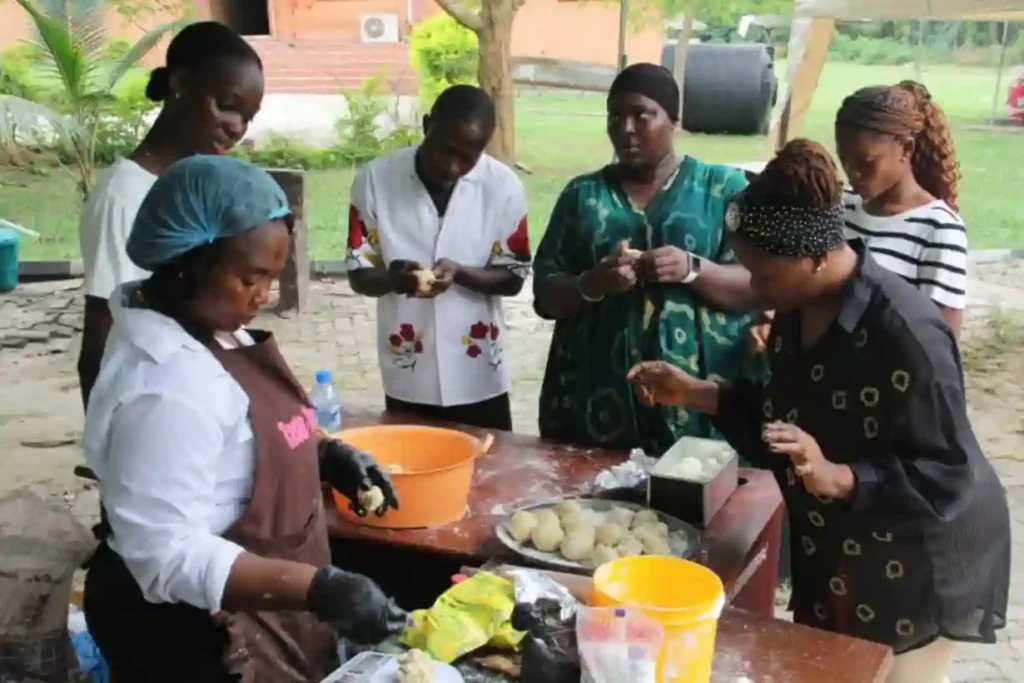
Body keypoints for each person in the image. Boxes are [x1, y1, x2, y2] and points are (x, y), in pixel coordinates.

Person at [628, 139, 1010, 683]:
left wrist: (842, 477)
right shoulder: (795, 310)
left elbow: (948, 475)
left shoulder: (907, 335)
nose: (754, 289)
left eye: (766, 275)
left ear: (815, 256)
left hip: (918, 561)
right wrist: (695, 392)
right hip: (839, 554)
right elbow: (787, 424)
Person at [82, 156, 407, 683]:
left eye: (271, 279)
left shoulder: (207, 320)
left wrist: (326, 453)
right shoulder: (166, 389)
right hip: (191, 629)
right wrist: (319, 589)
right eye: (250, 278)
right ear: (187, 262)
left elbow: (243, 439)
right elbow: (167, 556)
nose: (264, 297)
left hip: (264, 599)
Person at [532, 62, 761, 454]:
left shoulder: (724, 189)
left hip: (699, 409)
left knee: (698, 508)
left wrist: (693, 269)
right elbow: (544, 295)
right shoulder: (583, 196)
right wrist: (593, 283)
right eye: (615, 116)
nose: (627, 129)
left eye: (643, 114)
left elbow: (760, 286)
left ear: (674, 118)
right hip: (593, 406)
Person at [77, 21, 265, 410]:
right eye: (227, 106)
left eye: (248, 117)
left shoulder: (195, 186)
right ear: (180, 84)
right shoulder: (126, 195)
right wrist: (107, 452)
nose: (237, 128)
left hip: (203, 396)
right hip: (155, 408)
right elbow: (100, 336)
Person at [346, 85, 531, 432]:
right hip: (408, 373)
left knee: (488, 473)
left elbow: (514, 276)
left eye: (469, 156)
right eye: (445, 149)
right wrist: (393, 279)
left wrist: (460, 273)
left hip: (479, 376)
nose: (452, 166)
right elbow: (360, 271)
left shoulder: (503, 187)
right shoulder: (376, 180)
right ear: (427, 124)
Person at [835, 81, 967, 336]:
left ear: (906, 149)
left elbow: (940, 345)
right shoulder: (842, 210)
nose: (852, 173)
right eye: (844, 159)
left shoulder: (940, 229)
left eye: (865, 162)